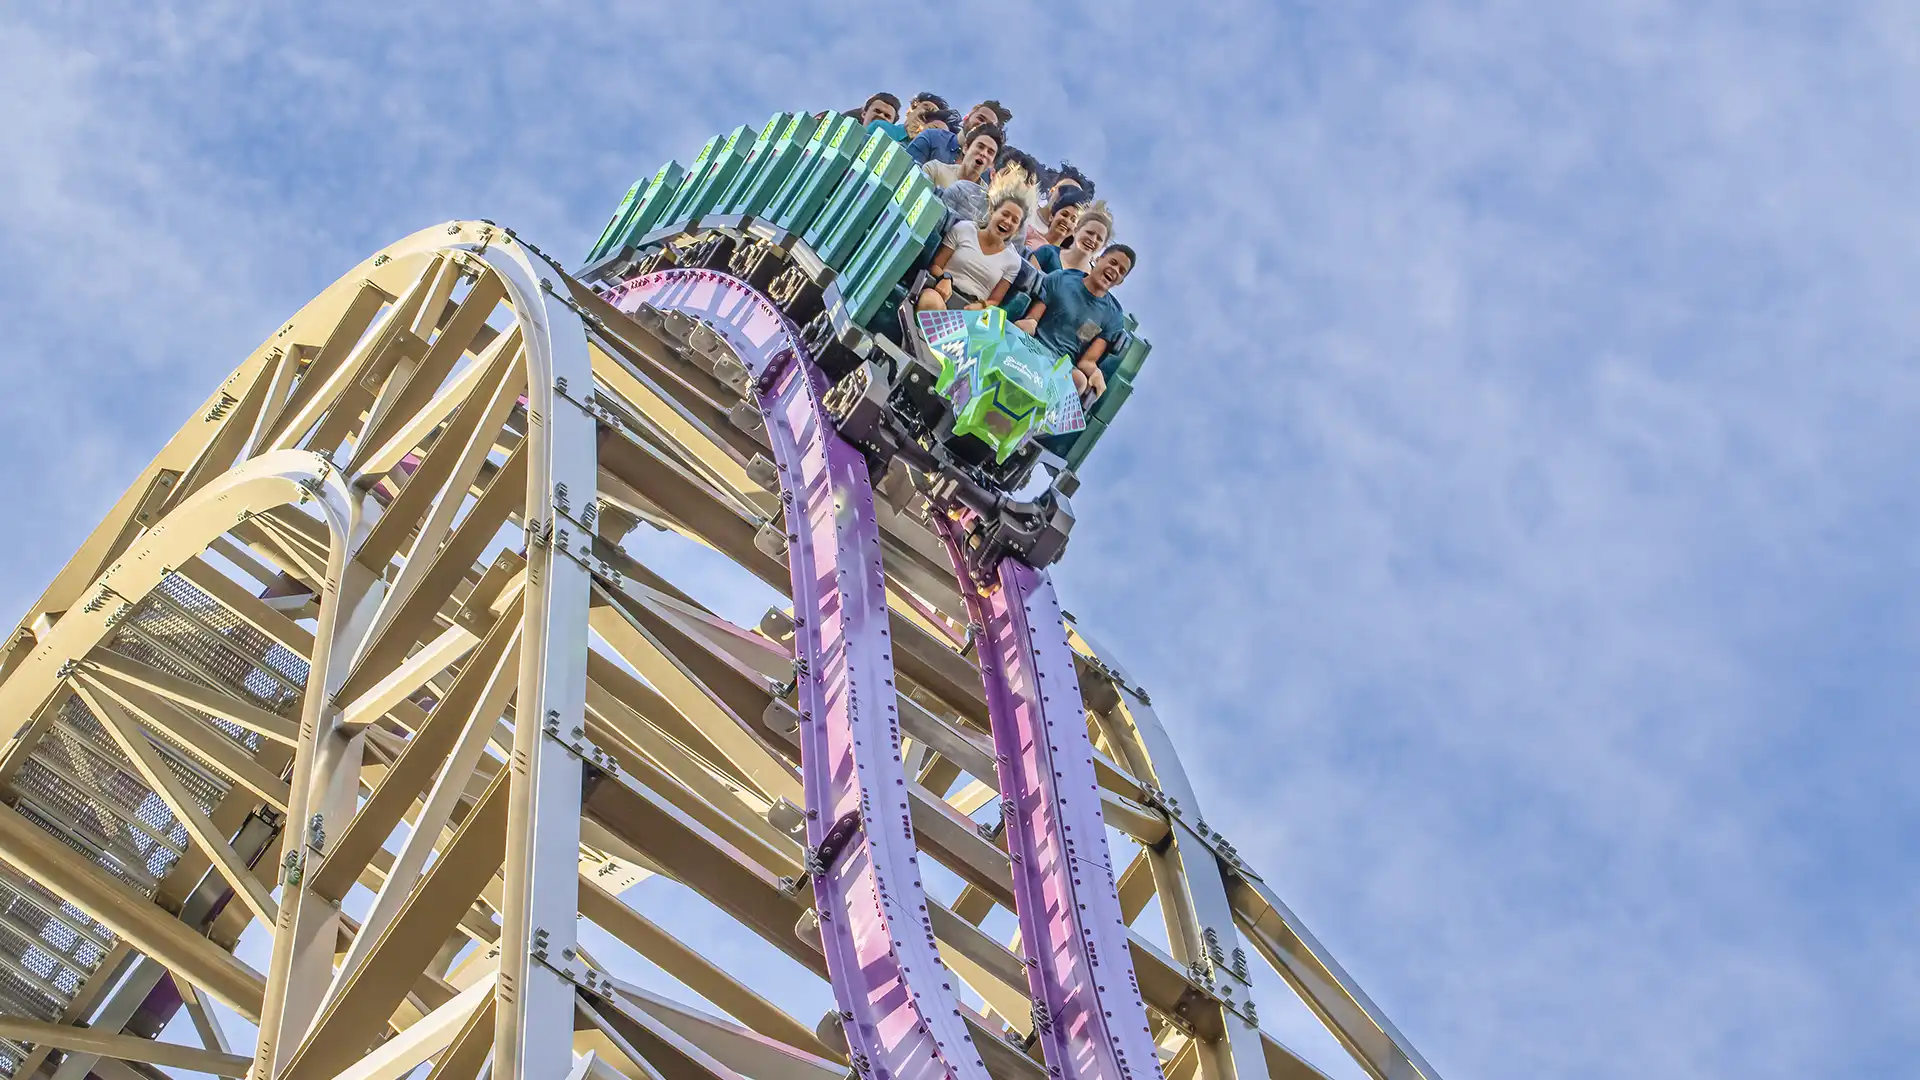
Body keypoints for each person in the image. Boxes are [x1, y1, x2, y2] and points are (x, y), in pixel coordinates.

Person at [1016, 244, 1135, 404]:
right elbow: (1033, 318)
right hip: (1034, 345)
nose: (1115, 270)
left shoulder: (1113, 315)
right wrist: (1028, 324)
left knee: (1079, 381)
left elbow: (1087, 361)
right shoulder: (1062, 278)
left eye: (1121, 271)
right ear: (1098, 259)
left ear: (1120, 281)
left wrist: (1096, 373)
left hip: (1060, 366)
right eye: (1113, 262)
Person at [916, 165, 1037, 312]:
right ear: (993, 211)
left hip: (971, 308)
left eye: (1014, 220)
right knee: (932, 304)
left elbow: (995, 300)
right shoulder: (964, 229)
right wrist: (945, 278)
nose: (1007, 222)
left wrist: (981, 306)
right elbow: (936, 266)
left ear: (1017, 229)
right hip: (940, 292)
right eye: (1005, 214)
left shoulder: (1013, 261)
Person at [923, 123, 1003, 222]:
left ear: (992, 164)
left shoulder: (986, 201)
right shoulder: (934, 169)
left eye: (990, 152)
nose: (983, 153)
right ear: (966, 148)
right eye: (980, 146)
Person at [907, 99, 1013, 165]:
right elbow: (906, 169)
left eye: (989, 125)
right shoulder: (933, 137)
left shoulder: (983, 172)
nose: (982, 125)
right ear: (968, 117)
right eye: (980, 118)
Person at [1028, 200, 1112, 274]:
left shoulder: (1092, 279)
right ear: (1076, 230)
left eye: (1099, 239)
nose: (1092, 239)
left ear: (1103, 246)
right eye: (1089, 232)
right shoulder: (1047, 252)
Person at [1023, 184, 1090, 251]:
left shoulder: (1063, 258)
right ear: (1051, 217)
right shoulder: (1027, 233)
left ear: (1075, 230)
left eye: (1073, 220)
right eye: (1064, 215)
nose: (1067, 221)